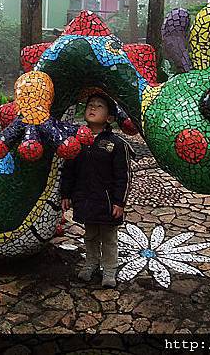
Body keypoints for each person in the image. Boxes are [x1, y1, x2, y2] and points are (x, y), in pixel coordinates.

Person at [60, 92, 133, 288]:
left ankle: (109, 269)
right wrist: (66, 194)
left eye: (99, 106)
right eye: (90, 104)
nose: (92, 107)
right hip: (85, 199)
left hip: (107, 202)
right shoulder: (76, 142)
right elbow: (68, 170)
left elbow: (123, 176)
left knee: (109, 238)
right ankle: (91, 263)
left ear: (109, 118)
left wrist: (119, 202)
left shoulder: (116, 144)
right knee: (90, 235)